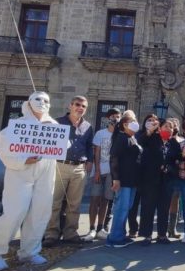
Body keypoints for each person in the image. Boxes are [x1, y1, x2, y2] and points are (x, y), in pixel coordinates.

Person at [0, 91, 57, 271]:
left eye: (46, 100)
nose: (42, 103)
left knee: (40, 212)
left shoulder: (54, 125)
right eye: (37, 99)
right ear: (29, 103)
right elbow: (4, 150)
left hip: (45, 173)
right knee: (14, 212)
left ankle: (30, 251)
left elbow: (62, 146)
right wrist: (23, 160)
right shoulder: (17, 126)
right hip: (20, 173)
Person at [43, 96, 94, 247]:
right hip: (60, 165)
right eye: (77, 105)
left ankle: (70, 233)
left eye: (83, 106)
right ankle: (51, 234)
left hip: (79, 167)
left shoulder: (87, 126)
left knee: (74, 203)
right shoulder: (58, 122)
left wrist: (90, 162)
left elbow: (89, 146)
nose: (80, 108)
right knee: (55, 202)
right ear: (70, 106)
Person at [137, 116, 182, 246]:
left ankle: (162, 235)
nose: (169, 129)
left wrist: (170, 167)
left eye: (171, 127)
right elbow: (140, 141)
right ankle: (147, 235)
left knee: (164, 208)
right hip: (150, 179)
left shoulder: (174, 143)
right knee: (148, 207)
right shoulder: (151, 139)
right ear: (160, 128)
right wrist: (151, 130)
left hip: (167, 181)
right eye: (166, 126)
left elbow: (177, 161)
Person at [83, 108, 121, 241]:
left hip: (112, 172)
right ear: (108, 118)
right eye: (113, 116)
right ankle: (91, 228)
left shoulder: (120, 134)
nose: (115, 118)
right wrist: (97, 170)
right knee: (94, 199)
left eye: (117, 116)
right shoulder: (100, 133)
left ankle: (101, 227)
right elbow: (96, 153)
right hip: (99, 170)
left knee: (106, 200)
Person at [106, 113, 141, 248]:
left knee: (127, 207)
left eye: (135, 120)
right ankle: (115, 238)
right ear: (125, 124)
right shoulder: (121, 137)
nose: (135, 122)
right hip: (123, 180)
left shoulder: (131, 137)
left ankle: (120, 234)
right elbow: (114, 158)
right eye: (132, 121)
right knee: (121, 208)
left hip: (132, 180)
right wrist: (116, 179)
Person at [167, 117, 183, 239]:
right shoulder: (165, 140)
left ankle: (172, 228)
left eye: (175, 123)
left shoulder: (182, 140)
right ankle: (164, 227)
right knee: (164, 201)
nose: (174, 126)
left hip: (178, 174)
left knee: (175, 200)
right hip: (166, 174)